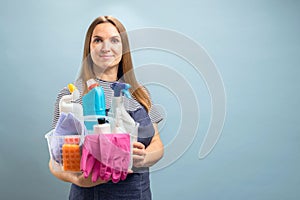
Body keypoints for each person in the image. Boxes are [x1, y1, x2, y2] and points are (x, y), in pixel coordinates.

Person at [49, 16, 164, 200]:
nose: (106, 47)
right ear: (89, 47)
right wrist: (78, 180)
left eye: (114, 40)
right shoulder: (71, 95)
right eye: (98, 40)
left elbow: (157, 143)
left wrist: (143, 157)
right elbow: (55, 160)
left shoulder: (140, 93)